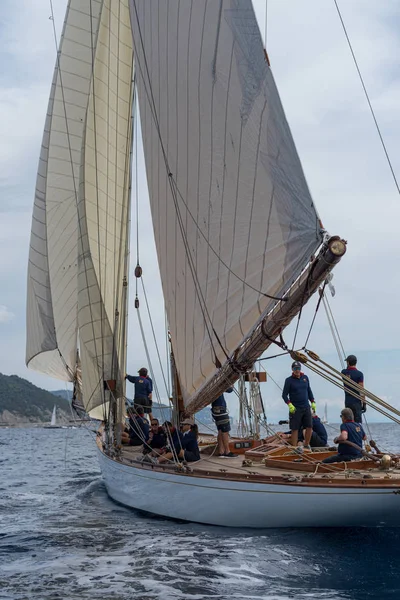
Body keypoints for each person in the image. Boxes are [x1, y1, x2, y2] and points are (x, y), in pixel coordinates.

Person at [282, 361, 316, 449]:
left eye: (298, 368)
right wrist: (289, 404)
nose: (297, 370)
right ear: (292, 370)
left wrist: (312, 401)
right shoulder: (289, 380)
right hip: (295, 408)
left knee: (309, 426)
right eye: (295, 369)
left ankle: (306, 444)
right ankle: (294, 448)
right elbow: (284, 395)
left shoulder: (305, 378)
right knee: (295, 428)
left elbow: (309, 390)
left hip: (306, 406)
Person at [211, 387, 237, 458]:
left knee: (220, 430)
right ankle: (227, 451)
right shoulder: (218, 385)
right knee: (225, 431)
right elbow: (229, 389)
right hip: (220, 410)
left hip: (215, 410)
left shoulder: (213, 387)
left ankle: (221, 451)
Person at [341, 355, 365, 424]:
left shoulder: (343, 372)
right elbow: (362, 390)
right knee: (357, 423)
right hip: (357, 402)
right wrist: (364, 403)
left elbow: (346, 370)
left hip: (348, 401)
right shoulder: (360, 374)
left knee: (348, 421)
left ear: (348, 362)